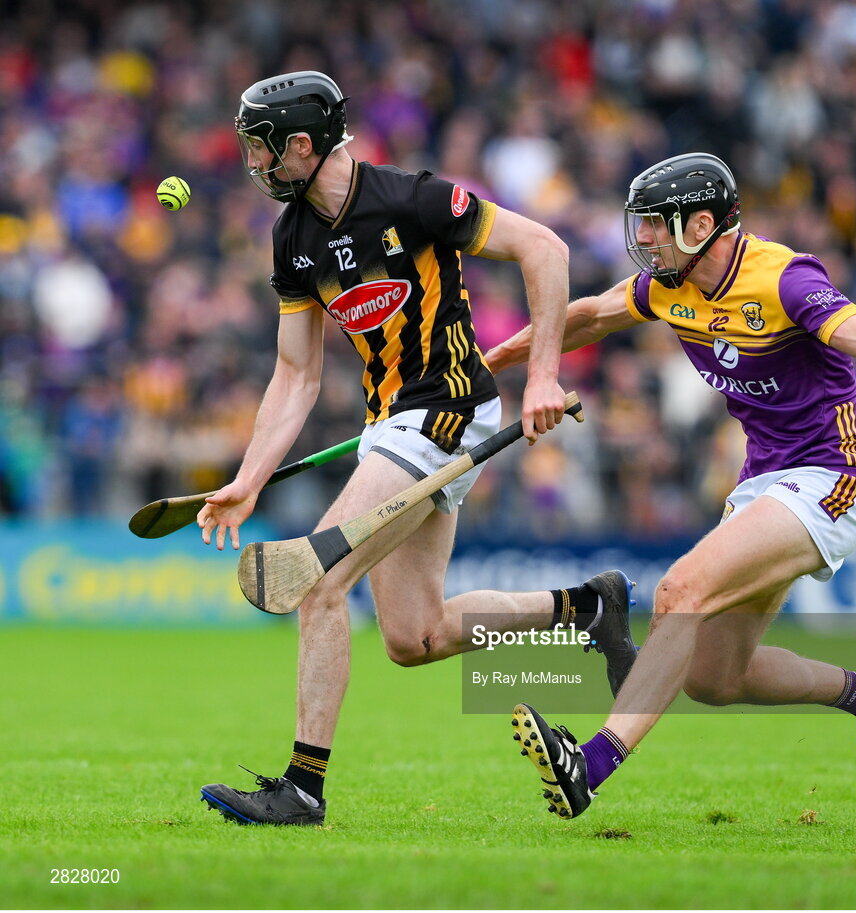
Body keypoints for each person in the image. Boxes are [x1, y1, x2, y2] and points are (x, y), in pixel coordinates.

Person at [196, 71, 638, 826]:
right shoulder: (293, 239)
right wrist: (248, 477)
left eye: (261, 149)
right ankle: (588, 606)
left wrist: (541, 377)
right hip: (391, 426)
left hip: (445, 411)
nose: (253, 164)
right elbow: (296, 375)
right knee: (415, 635)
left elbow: (546, 248)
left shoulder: (413, 198)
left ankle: (302, 790)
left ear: (301, 146)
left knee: (320, 578)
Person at [484, 152, 856, 819]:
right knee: (715, 678)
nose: (645, 238)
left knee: (680, 590)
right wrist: (504, 357)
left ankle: (589, 765)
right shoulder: (670, 285)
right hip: (765, 479)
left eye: (657, 225)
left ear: (703, 223)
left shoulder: (784, 281)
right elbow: (593, 315)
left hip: (833, 477)